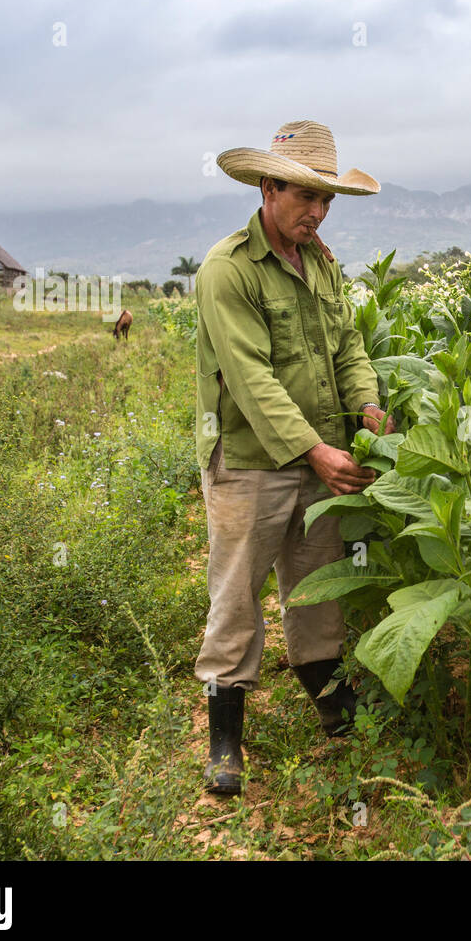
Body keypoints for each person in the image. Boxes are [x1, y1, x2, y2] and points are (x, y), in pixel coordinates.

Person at [194, 120, 395, 796]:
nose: (316, 212)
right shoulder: (228, 270)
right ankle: (224, 739)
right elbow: (251, 380)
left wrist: (367, 406)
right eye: (304, 196)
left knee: (317, 588)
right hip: (253, 460)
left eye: (326, 199)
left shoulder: (324, 265)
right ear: (268, 186)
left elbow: (349, 348)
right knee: (237, 594)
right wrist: (314, 450)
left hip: (323, 456)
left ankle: (336, 712)